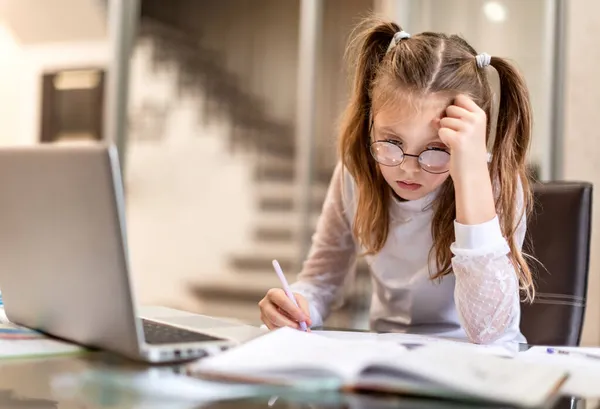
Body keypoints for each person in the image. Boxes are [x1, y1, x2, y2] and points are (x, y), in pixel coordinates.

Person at [258, 16, 535, 344]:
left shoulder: (497, 183)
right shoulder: (357, 171)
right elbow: (320, 280)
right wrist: (298, 304)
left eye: (435, 149)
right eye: (391, 142)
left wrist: (471, 175)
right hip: (388, 357)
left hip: (476, 365)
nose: (406, 168)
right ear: (370, 123)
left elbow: (490, 332)